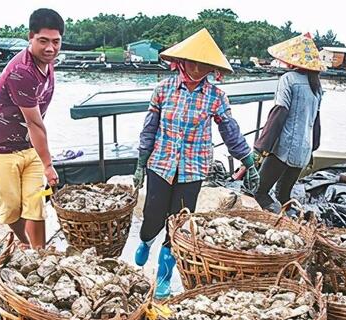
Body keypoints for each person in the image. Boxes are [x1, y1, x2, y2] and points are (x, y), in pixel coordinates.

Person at [132, 28, 254, 299]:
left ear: (212, 68)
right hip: (160, 164)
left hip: (193, 169)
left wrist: (249, 162)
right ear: (182, 61)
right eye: (193, 62)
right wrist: (140, 164)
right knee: (153, 214)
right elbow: (149, 128)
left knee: (178, 222)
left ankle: (164, 276)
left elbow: (230, 132)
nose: (198, 68)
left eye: (205, 65)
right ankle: (145, 240)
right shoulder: (163, 90)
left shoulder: (216, 97)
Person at [0, 8, 63, 249]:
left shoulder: (48, 64)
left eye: (56, 42)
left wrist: (41, 156)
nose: (50, 48)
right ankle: (24, 244)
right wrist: (48, 165)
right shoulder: (23, 72)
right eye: (43, 41)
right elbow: (35, 123)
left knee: (36, 202)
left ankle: (39, 252)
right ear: (30, 37)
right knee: (11, 206)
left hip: (29, 147)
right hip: (0, 148)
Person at [252, 33, 324, 213]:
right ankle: (293, 220)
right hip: (303, 152)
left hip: (285, 149)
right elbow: (316, 121)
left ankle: (277, 221)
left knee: (258, 192)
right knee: (283, 195)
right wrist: (313, 148)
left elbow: (279, 114)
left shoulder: (289, 79)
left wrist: (260, 147)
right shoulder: (316, 85)